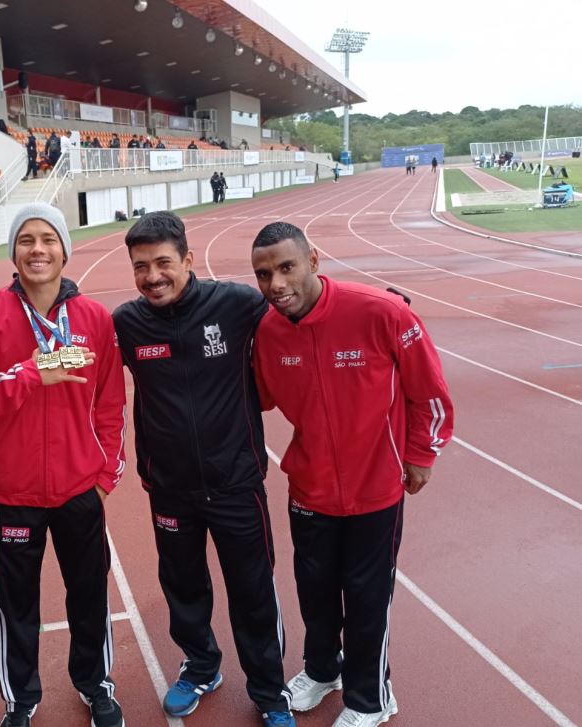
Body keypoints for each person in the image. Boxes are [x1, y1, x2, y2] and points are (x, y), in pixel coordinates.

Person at [249, 221, 454, 727]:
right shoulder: (269, 331)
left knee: (366, 597)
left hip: (375, 487)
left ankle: (369, 698)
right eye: (264, 274)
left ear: (314, 260)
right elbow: (264, 397)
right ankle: (322, 671)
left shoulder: (381, 311)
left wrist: (422, 454)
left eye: (287, 267)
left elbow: (428, 390)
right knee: (314, 590)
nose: (276, 283)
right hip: (310, 487)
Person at [0, 203, 127, 727]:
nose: (38, 249)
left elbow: (111, 406)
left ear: (65, 250)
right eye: (26, 239)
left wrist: (104, 479)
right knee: (15, 604)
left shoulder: (93, 319)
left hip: (79, 492)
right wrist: (33, 371)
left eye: (49, 238)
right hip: (10, 494)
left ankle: (97, 685)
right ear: (12, 251)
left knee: (89, 595)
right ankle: (21, 699)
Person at [112, 212, 295, 727]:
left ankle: (269, 690)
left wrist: (377, 308)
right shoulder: (128, 323)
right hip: (169, 489)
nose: (153, 276)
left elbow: (300, 307)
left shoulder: (236, 305)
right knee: (184, 587)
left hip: (236, 483)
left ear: (188, 260)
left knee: (253, 590)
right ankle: (201, 667)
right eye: (141, 266)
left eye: (164, 263)